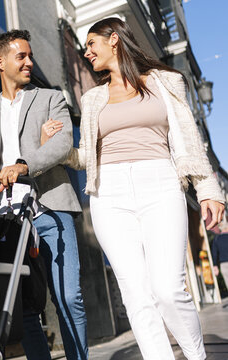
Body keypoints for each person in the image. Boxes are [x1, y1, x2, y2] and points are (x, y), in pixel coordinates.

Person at [42, 17, 225, 360]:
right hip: (108, 194)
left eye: (91, 44)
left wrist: (208, 190)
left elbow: (189, 139)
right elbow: (87, 158)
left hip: (160, 183)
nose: (87, 52)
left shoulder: (167, 82)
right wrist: (59, 148)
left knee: (168, 290)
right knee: (136, 294)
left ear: (113, 40)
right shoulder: (93, 98)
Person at [0, 29, 88, 360]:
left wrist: (23, 164)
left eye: (30, 56)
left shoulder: (51, 98)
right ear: (1, 61)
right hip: (6, 218)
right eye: (21, 56)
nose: (29, 62)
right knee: (23, 308)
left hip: (51, 209)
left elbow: (63, 145)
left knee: (68, 298)